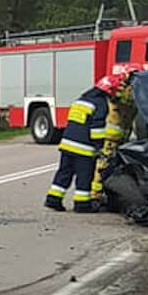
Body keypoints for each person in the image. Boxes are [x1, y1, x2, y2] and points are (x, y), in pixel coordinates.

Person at [47, 76, 112, 213]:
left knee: (64, 172)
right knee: (84, 176)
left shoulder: (80, 100)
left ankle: (53, 199)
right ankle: (82, 205)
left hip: (67, 144)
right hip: (83, 147)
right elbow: (97, 128)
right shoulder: (100, 103)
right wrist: (100, 146)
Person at [91, 72, 136, 207]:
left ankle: (106, 193)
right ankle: (95, 195)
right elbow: (125, 100)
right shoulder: (121, 93)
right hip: (111, 137)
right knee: (103, 164)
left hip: (119, 137)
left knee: (111, 165)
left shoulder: (125, 93)